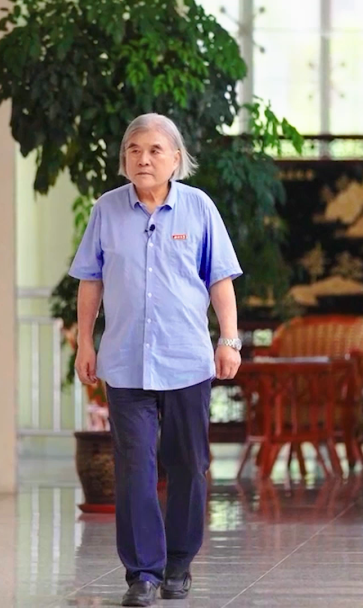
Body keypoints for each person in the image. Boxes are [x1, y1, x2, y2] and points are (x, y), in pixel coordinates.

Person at [70, 113, 243, 607]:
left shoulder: (199, 207)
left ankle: (179, 563)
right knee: (134, 468)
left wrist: (229, 340)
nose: (142, 159)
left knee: (188, 463)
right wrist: (86, 342)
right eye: (133, 150)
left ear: (175, 158)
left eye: (154, 150)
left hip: (186, 360)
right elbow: (91, 281)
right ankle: (142, 573)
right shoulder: (106, 209)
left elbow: (220, 280)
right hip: (125, 362)